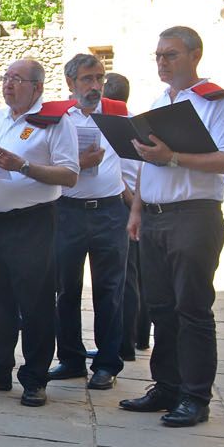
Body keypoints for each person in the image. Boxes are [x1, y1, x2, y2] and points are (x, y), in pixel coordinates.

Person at [121, 26, 224, 428]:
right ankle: (166, 386)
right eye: (158, 55)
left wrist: (174, 157)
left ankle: (195, 396)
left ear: (195, 56)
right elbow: (143, 165)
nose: (162, 62)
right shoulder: (158, 102)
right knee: (159, 307)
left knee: (191, 307)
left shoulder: (216, 103)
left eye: (170, 54)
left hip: (193, 214)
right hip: (154, 214)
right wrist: (136, 210)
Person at [0, 59, 79, 407]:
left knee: (35, 302)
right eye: (5, 78)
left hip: (30, 224)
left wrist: (22, 165)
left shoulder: (55, 122)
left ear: (37, 87)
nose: (8, 85)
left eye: (17, 80)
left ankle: (35, 377)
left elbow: (69, 175)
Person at [50, 53, 129, 391]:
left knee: (109, 289)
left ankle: (107, 363)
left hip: (110, 211)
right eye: (87, 79)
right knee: (65, 288)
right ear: (70, 83)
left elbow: (134, 161)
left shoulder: (118, 115)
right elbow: (45, 164)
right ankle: (69, 357)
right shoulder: (56, 119)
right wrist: (77, 163)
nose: (96, 86)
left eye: (100, 78)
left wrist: (135, 207)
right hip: (67, 210)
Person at [104, 71, 149, 360]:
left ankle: (124, 343)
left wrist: (130, 201)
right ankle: (138, 337)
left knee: (124, 277)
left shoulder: (112, 126)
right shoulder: (139, 123)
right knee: (137, 275)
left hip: (124, 202)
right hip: (138, 201)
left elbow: (114, 171)